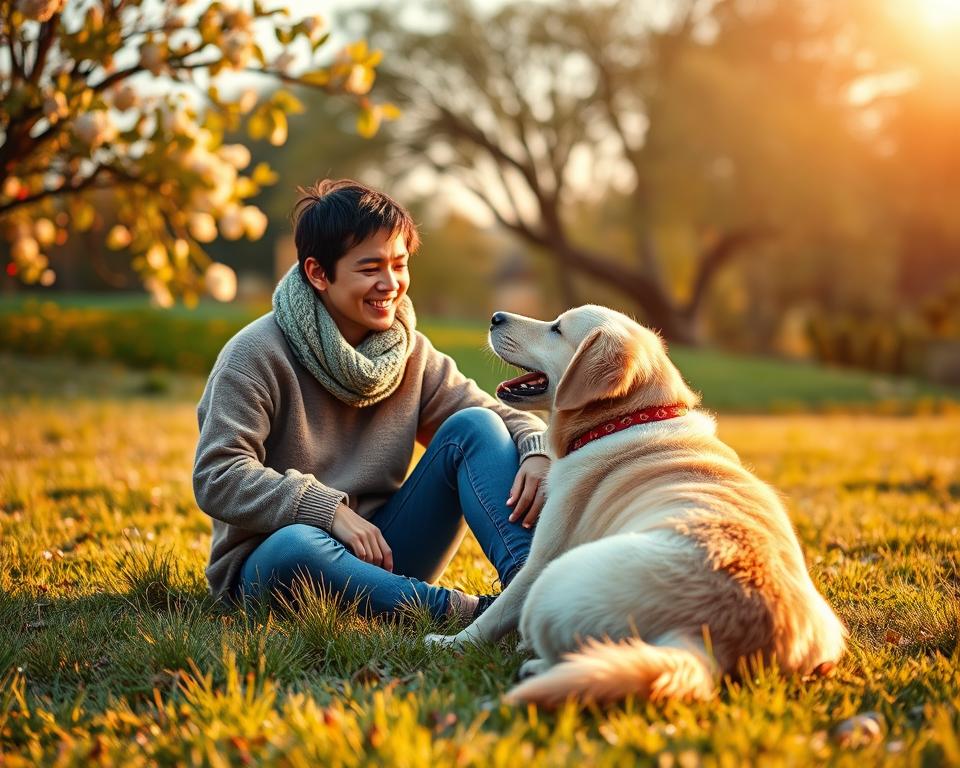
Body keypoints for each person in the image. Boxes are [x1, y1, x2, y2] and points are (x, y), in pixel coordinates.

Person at [193, 178, 550, 622]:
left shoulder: (409, 352)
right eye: (370, 269)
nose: (390, 284)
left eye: (399, 265)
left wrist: (538, 451)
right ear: (318, 273)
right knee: (298, 543)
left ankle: (534, 590)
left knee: (476, 426)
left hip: (385, 552)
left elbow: (495, 418)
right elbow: (218, 475)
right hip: (276, 566)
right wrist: (326, 511)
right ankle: (463, 613)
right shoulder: (255, 354)